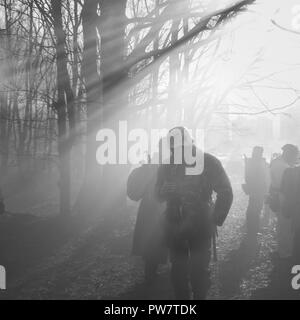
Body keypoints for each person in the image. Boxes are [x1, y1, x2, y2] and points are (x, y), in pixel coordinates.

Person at [155, 127, 233, 300]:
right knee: (178, 271)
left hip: (201, 225)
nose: (177, 150)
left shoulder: (208, 161)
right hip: (174, 224)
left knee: (199, 271)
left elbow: (226, 191)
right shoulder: (167, 165)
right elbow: (157, 194)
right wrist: (163, 191)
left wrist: (215, 219)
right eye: (174, 146)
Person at [127, 144, 168, 282]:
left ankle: (153, 273)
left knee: (157, 241)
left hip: (160, 208)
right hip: (155, 209)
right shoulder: (158, 165)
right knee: (154, 241)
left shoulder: (171, 164)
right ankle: (152, 274)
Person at [269, 144, 299, 260]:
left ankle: (283, 250)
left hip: (280, 195)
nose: (295, 158)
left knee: (283, 225)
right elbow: (287, 186)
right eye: (294, 155)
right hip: (284, 197)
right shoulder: (283, 167)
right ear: (288, 154)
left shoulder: (279, 163)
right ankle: (285, 252)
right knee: (286, 225)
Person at [243, 146, 269, 238]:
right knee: (255, 210)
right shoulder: (256, 162)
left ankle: (252, 229)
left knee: (254, 209)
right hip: (257, 189)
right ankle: (252, 229)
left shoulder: (252, 162)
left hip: (256, 189)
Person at [280, 165, 300, 264]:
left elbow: (283, 190)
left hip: (294, 209)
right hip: (296, 208)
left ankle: (294, 261)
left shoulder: (290, 171)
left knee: (296, 235)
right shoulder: (291, 172)